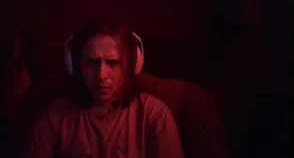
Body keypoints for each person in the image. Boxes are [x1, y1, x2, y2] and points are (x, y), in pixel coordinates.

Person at [23, 22, 184, 158]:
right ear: (75, 64)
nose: (101, 75)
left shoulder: (153, 115)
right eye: (92, 62)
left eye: (112, 63)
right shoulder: (54, 117)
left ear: (130, 65)